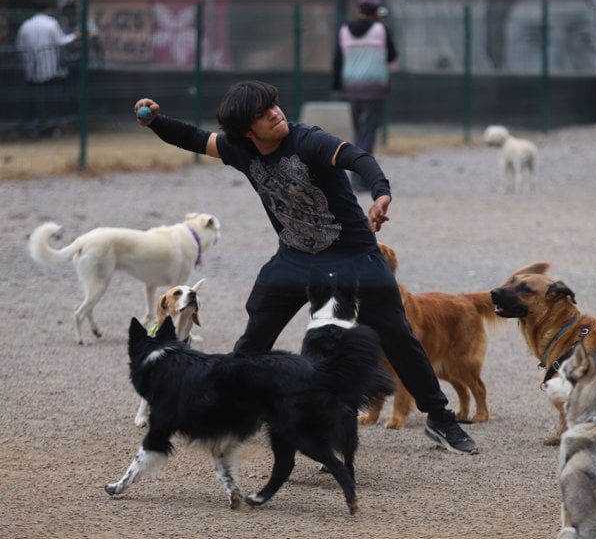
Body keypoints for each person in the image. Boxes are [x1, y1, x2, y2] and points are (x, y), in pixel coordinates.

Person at [133, 80, 479, 455]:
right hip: (296, 259)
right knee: (253, 341)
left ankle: (440, 419)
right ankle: (228, 414)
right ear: (247, 131)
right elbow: (193, 137)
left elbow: (357, 157)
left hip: (355, 256)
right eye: (263, 114)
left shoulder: (308, 140)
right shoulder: (238, 148)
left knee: (398, 334)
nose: (275, 114)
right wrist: (155, 121)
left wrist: (380, 192)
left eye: (274, 106)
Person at [332, 0, 397, 190]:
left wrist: (337, 85)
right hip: (373, 87)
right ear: (376, 12)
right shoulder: (381, 29)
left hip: (350, 86)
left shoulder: (344, 30)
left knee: (358, 131)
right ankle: (360, 176)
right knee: (367, 132)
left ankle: (358, 172)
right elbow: (392, 55)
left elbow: (337, 60)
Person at [16, 0, 80, 136]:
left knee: (34, 99)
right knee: (50, 100)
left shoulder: (26, 25)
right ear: (48, 10)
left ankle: (33, 127)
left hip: (31, 70)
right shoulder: (51, 23)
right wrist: (75, 36)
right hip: (50, 70)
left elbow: (19, 46)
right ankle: (48, 127)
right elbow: (61, 41)